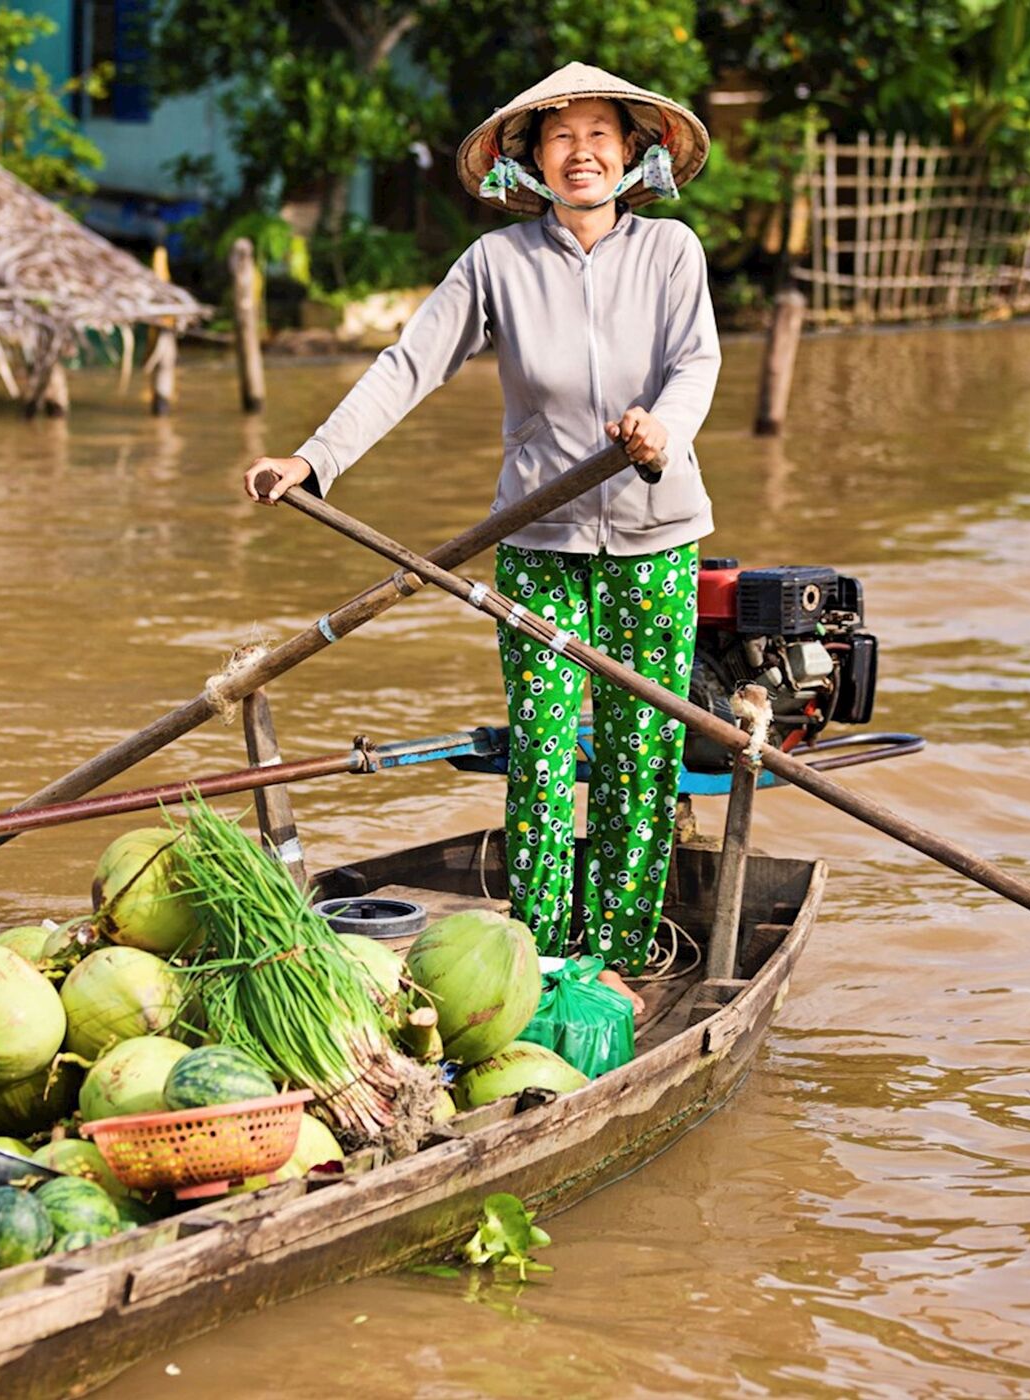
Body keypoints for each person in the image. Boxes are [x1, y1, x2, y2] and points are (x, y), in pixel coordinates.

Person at [243, 63, 720, 994]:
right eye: (559, 137)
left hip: (657, 539)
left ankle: (619, 959)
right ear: (532, 161)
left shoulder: (672, 253)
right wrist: (313, 459)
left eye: (598, 134)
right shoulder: (497, 264)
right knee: (541, 750)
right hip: (539, 546)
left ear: (631, 153)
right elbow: (406, 365)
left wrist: (661, 433)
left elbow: (693, 365)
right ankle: (537, 958)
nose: (580, 152)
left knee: (641, 749)